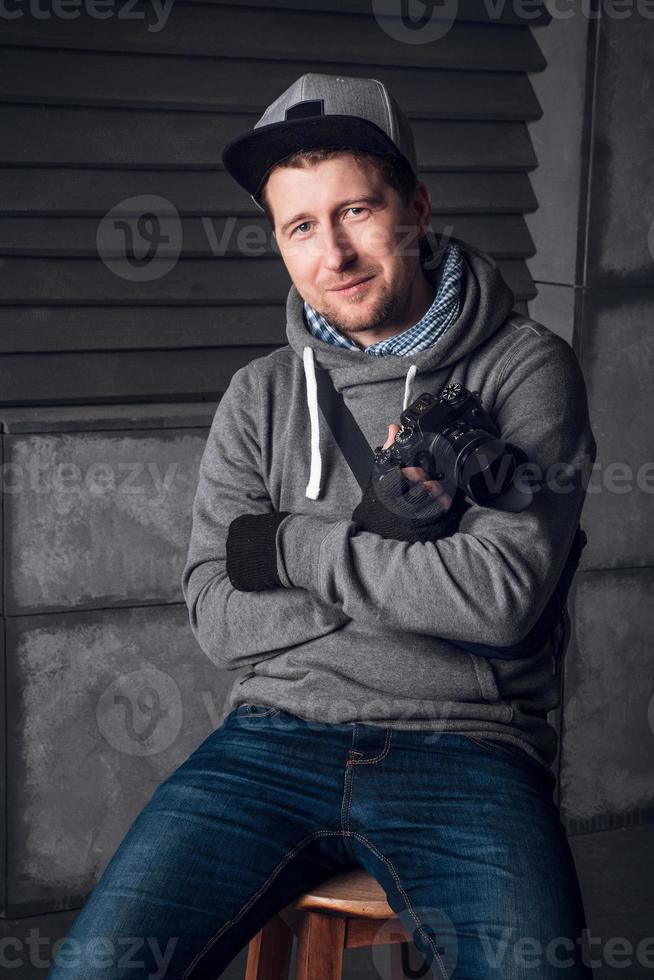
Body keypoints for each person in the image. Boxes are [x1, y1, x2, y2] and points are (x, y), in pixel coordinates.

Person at [48, 73, 597, 979]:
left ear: (415, 207)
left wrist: (287, 546)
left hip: (469, 747)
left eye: (357, 212)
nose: (333, 252)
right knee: (94, 968)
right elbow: (220, 621)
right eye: (302, 226)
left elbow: (497, 603)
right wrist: (391, 538)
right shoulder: (259, 396)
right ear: (278, 241)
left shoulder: (525, 369)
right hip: (271, 739)